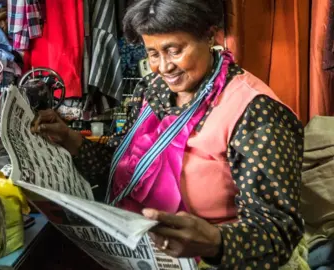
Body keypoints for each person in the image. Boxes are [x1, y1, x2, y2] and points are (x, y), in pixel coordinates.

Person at [31, 0, 307, 269]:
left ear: (209, 36)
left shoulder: (256, 113)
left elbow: (278, 232)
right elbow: (122, 171)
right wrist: (69, 139)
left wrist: (215, 242)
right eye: (153, 53)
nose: (163, 67)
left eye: (174, 50)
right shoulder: (153, 89)